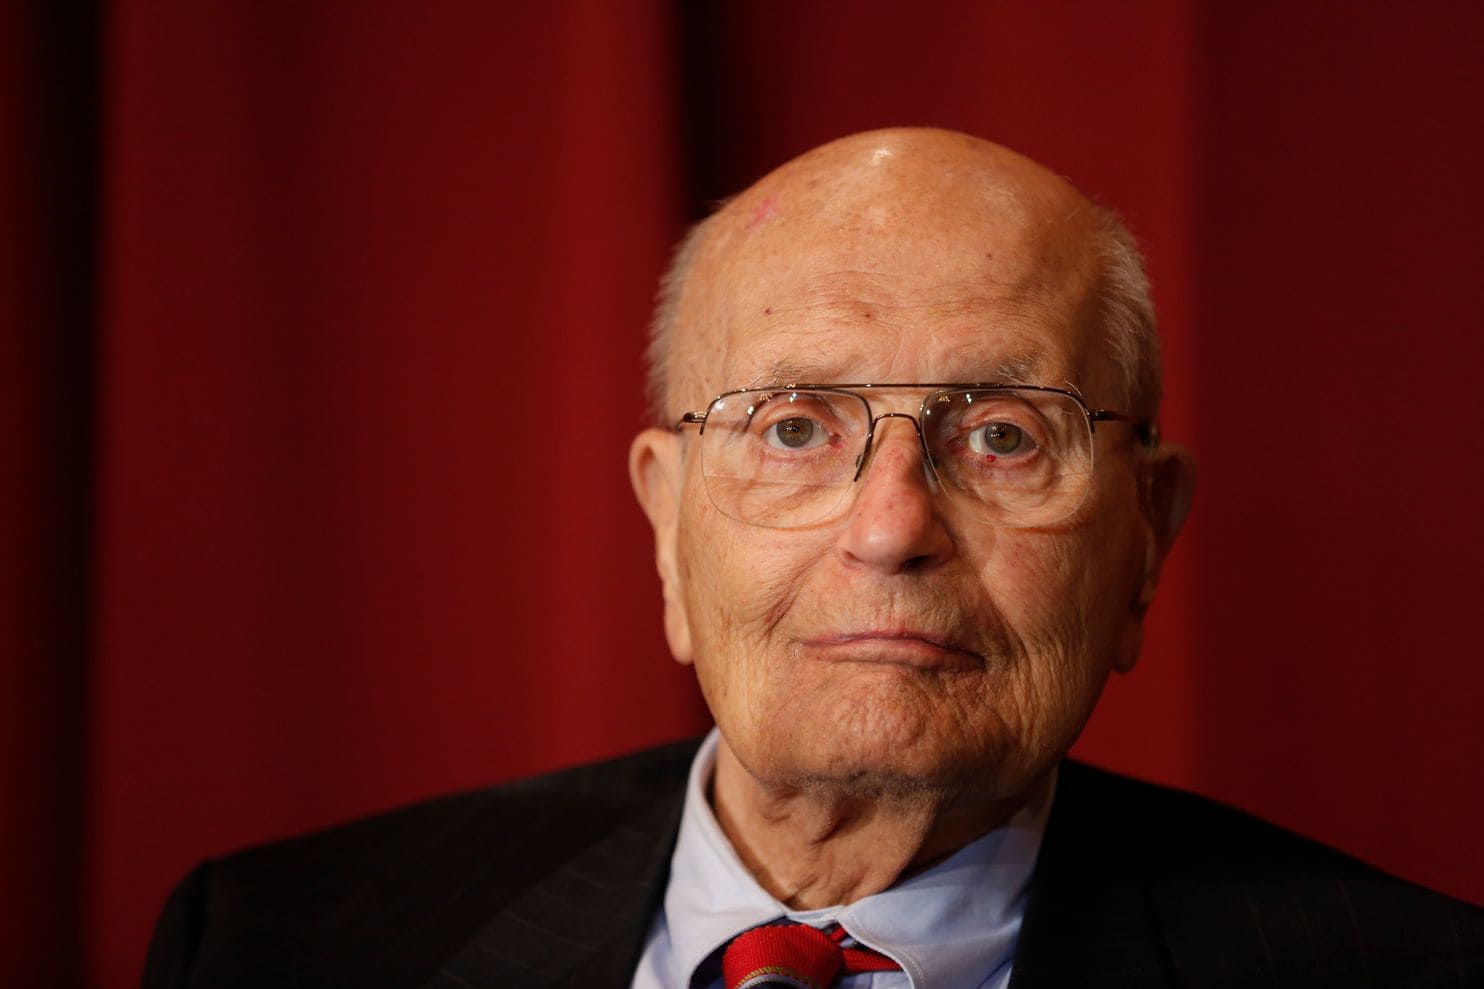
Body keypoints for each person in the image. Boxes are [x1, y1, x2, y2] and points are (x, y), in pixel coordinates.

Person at [144, 129, 1484, 988]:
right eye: (793, 426)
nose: (891, 528)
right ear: (667, 524)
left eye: (1004, 435)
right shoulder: (273, 944)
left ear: (1145, 538)